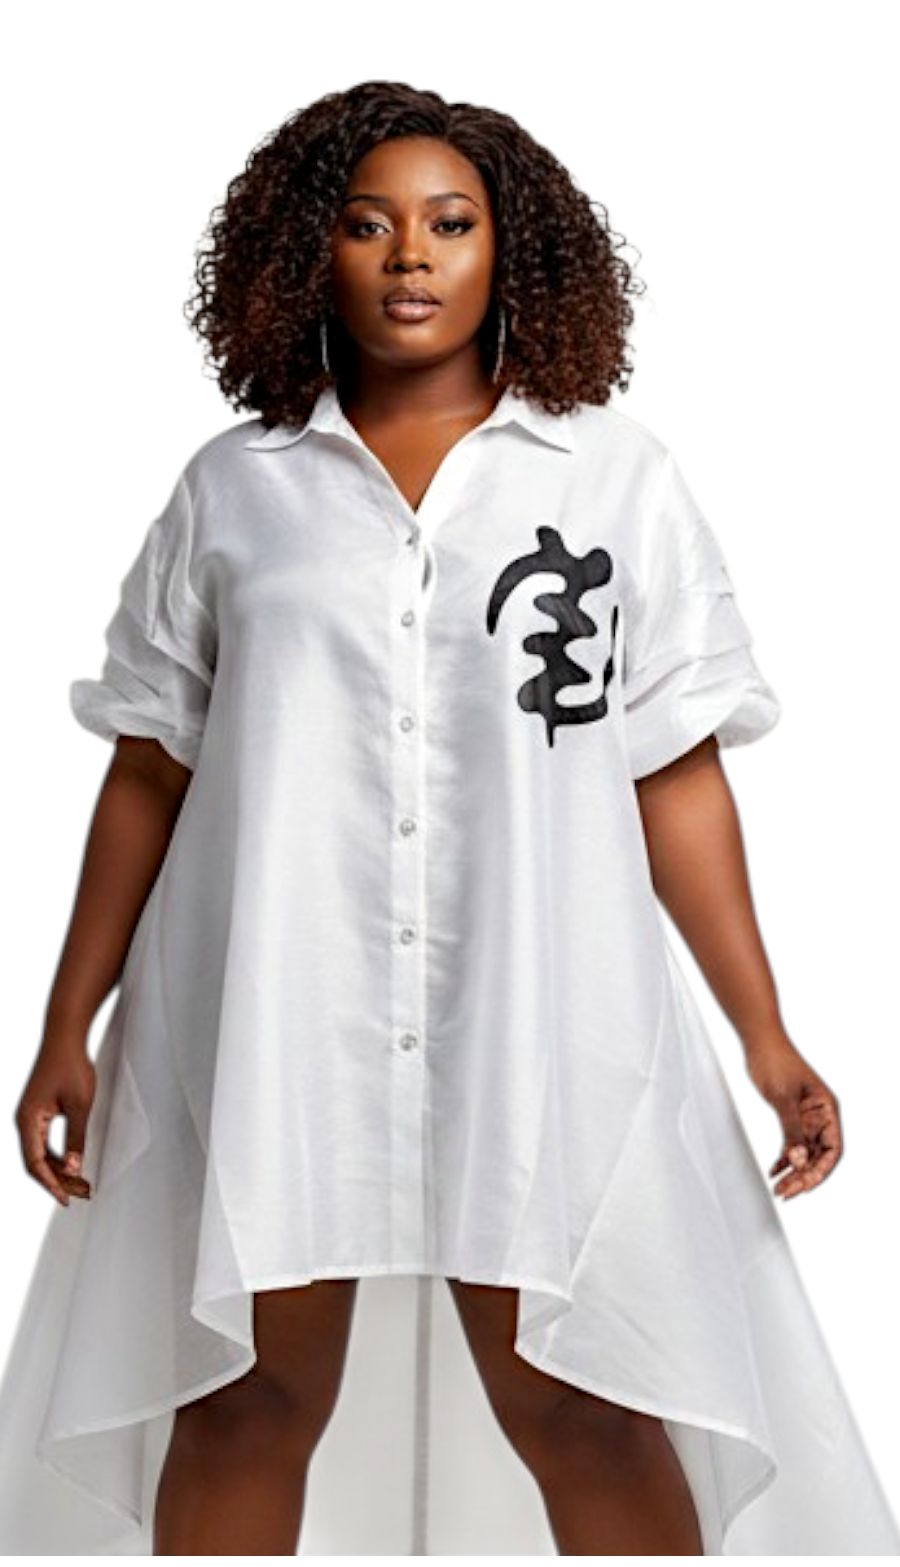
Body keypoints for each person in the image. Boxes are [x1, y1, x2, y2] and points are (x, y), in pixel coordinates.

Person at [0, 78, 898, 1557]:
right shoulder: (236, 490)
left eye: (450, 223)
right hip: (274, 1011)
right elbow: (151, 769)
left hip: (541, 1009)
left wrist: (767, 1034)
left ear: (510, 250)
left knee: (586, 1396)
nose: (409, 255)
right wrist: (65, 1023)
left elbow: (672, 769)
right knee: (243, 1398)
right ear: (309, 253)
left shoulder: (614, 479)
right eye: (367, 224)